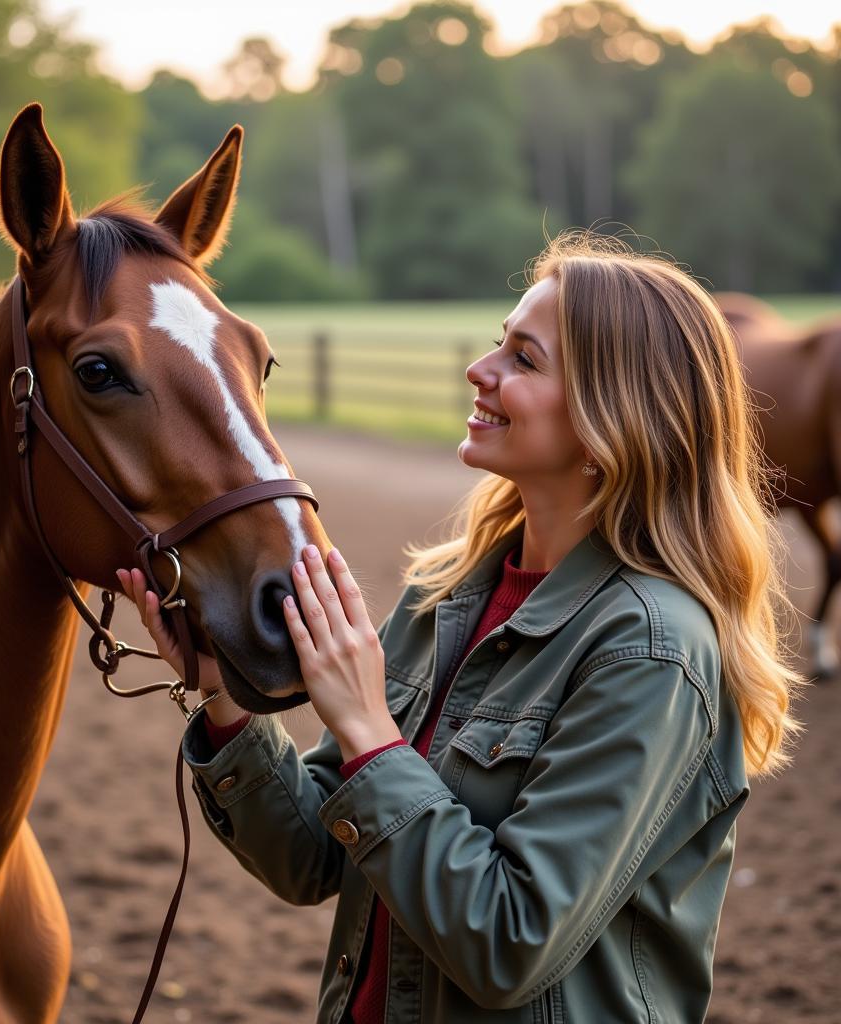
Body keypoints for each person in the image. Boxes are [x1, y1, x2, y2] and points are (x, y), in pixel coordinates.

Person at [118, 232, 800, 1023]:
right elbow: (309, 859)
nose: (481, 371)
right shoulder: (443, 595)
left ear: (614, 417)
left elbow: (510, 944)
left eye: (525, 359)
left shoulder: (650, 650)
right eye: (495, 344)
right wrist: (221, 697)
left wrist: (372, 733)